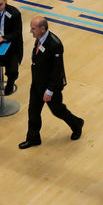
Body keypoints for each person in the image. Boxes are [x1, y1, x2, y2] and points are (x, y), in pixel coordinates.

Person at [19, 16, 84, 149]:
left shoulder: (55, 44)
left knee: (58, 110)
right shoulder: (39, 39)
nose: (30, 31)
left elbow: (57, 71)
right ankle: (33, 138)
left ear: (42, 29)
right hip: (37, 83)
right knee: (33, 112)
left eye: (33, 28)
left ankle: (77, 124)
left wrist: (49, 90)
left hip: (50, 87)